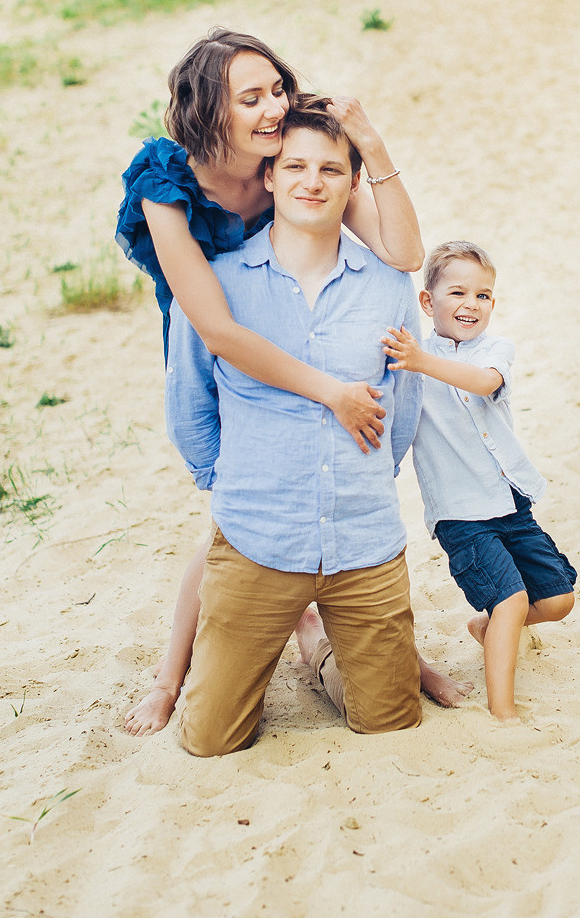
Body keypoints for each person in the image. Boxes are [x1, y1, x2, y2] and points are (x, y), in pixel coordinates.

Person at [116, 29, 468, 735]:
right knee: (235, 516)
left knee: (315, 494)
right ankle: (169, 676)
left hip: (306, 300)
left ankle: (360, 642)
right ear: (209, 111)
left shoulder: (291, 150)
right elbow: (216, 333)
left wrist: (371, 147)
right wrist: (330, 396)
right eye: (250, 98)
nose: (272, 105)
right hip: (215, 310)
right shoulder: (165, 181)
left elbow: (400, 253)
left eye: (276, 87)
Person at [166, 106, 424, 755]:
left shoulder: (387, 287)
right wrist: (231, 484)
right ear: (271, 180)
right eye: (297, 166)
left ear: (351, 185)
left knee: (390, 721)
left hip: (363, 542)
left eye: (331, 169)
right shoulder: (216, 284)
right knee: (211, 741)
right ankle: (260, 639)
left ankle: (315, 651)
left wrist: (362, 477)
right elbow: (189, 402)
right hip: (258, 538)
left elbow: (405, 401)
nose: (313, 181)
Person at [382, 240, 576, 724]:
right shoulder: (411, 356)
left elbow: (485, 382)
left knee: (557, 600)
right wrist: (415, 361)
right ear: (428, 302)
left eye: (483, 295)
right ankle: (503, 711)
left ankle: (486, 627)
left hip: (509, 501)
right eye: (457, 293)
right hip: (461, 513)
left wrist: (422, 362)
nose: (471, 304)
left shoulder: (493, 349)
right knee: (510, 599)